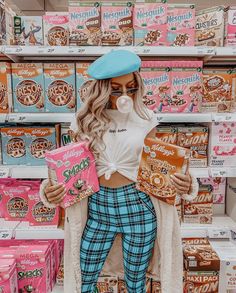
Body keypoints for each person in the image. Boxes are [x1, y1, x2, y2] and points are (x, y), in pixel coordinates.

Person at [40, 50, 199, 293]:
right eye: (116, 89)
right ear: (102, 89)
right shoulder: (83, 121)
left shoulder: (146, 118)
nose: (125, 96)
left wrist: (184, 183)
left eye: (131, 88)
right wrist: (52, 190)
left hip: (138, 207)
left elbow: (158, 164)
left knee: (136, 282)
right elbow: (70, 169)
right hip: (97, 207)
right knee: (84, 277)